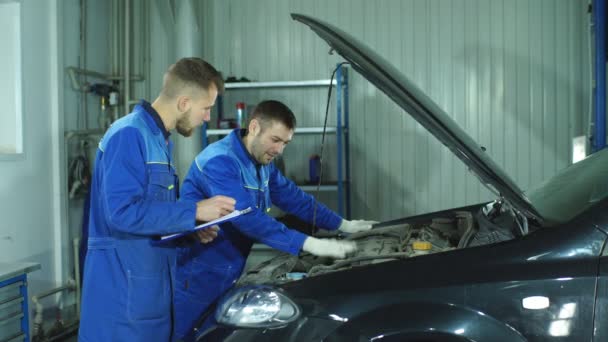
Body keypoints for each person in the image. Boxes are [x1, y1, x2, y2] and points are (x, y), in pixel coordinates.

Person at [173, 100, 377, 340]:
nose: (280, 150)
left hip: (229, 268)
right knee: (188, 336)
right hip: (198, 273)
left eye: (285, 143)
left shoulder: (261, 163)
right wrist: (308, 243)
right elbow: (246, 218)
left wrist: (343, 224)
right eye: (276, 140)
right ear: (255, 127)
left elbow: (296, 199)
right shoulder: (220, 161)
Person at [78, 58, 236, 342]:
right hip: (122, 303)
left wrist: (191, 231)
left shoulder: (159, 140)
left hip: (150, 298)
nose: (207, 118)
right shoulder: (129, 135)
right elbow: (122, 213)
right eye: (207, 108)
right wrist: (194, 209)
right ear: (185, 102)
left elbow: (153, 215)